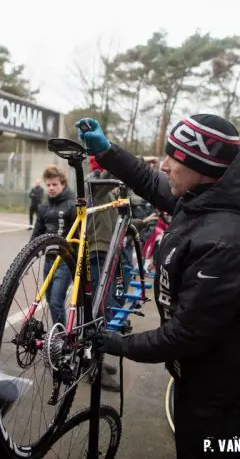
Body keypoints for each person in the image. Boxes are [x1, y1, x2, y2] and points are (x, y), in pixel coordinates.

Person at [76, 115, 240, 459]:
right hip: (196, 380)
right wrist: (107, 152)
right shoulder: (205, 195)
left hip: (220, 400)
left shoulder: (228, 242)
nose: (164, 165)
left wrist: (116, 343)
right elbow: (151, 182)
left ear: (203, 167)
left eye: (174, 159)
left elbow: (184, 336)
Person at [85, 155, 156, 391]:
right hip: (97, 255)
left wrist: (143, 222)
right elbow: (105, 178)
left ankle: (96, 360)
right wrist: (129, 162)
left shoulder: (112, 193)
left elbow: (120, 222)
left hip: (112, 254)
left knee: (108, 309)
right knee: (100, 313)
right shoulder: (94, 186)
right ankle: (95, 366)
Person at [31, 164, 76, 327]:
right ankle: (60, 331)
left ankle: (61, 338)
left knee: (57, 300)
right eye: (48, 185)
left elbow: (80, 234)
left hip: (66, 260)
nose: (51, 188)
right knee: (50, 299)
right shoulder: (44, 206)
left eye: (55, 184)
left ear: (63, 184)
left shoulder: (72, 204)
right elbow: (37, 233)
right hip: (49, 259)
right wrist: (26, 257)